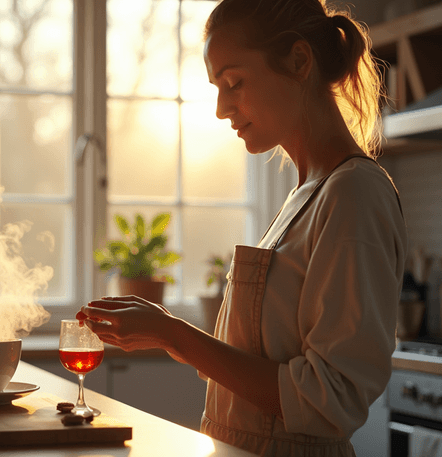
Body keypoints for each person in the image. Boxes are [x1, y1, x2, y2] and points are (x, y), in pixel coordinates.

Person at [77, 0, 407, 455]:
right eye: (217, 87)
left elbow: (330, 398)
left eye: (234, 82)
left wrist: (174, 335)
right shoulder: (304, 195)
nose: (220, 109)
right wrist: (164, 330)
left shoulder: (352, 194)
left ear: (298, 61)